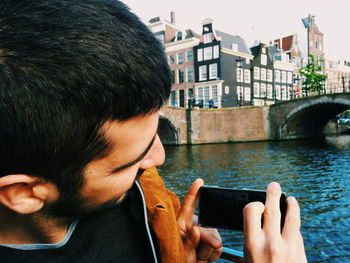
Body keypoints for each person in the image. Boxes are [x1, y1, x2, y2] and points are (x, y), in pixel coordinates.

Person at [0, 0, 307, 262]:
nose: (159, 156)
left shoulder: (148, 199)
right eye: (131, 160)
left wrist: (175, 255)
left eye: (158, 127)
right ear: (23, 194)